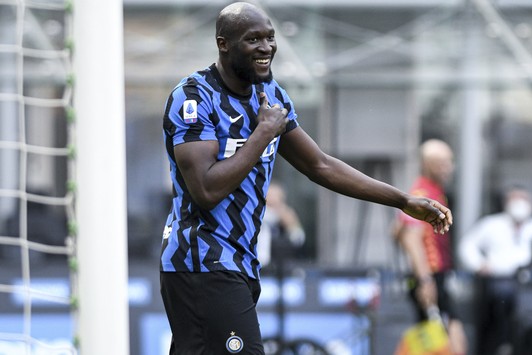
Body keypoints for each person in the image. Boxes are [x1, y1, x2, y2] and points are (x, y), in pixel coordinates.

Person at [159, 3, 453, 354]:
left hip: (239, 263)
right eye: (253, 39)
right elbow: (206, 190)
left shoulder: (272, 97)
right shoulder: (193, 97)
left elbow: (321, 166)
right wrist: (262, 134)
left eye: (269, 37)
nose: (266, 48)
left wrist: (403, 201)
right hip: (202, 263)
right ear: (223, 44)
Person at [459, 185, 532, 355]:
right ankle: (501, 345)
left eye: (523, 199)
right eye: (514, 198)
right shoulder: (491, 224)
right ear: (505, 202)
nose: (519, 203)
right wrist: (479, 264)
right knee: (501, 304)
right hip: (497, 283)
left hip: (531, 285)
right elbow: (467, 246)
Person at [394, 139, 468, 355]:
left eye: (450, 162)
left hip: (437, 276)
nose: (449, 168)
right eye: (443, 163)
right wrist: (425, 280)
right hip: (429, 277)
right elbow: (410, 238)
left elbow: (397, 229)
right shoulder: (421, 194)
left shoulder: (434, 191)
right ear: (428, 164)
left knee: (433, 337)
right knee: (450, 338)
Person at [256, 181, 305, 268]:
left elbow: (298, 239)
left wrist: (292, 225)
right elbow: (267, 216)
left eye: (276, 198)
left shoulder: (285, 217)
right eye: (270, 196)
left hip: (280, 269)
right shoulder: (258, 214)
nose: (272, 200)